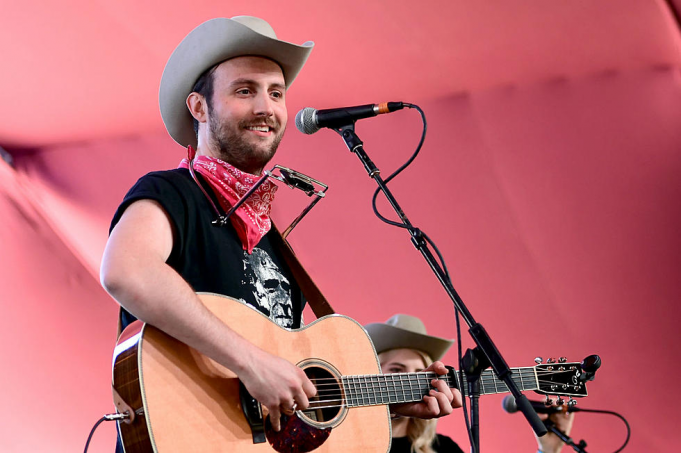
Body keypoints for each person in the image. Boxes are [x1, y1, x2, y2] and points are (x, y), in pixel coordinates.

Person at [100, 16, 459, 450]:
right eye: (244, 90)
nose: (266, 108)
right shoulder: (170, 192)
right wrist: (251, 362)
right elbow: (127, 270)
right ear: (198, 107)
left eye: (276, 93)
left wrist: (386, 401)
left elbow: (283, 402)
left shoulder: (272, 237)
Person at [366, 314, 576, 453]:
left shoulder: (444, 449)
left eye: (420, 372)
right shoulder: (341, 437)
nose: (412, 380)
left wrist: (547, 451)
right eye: (396, 370)